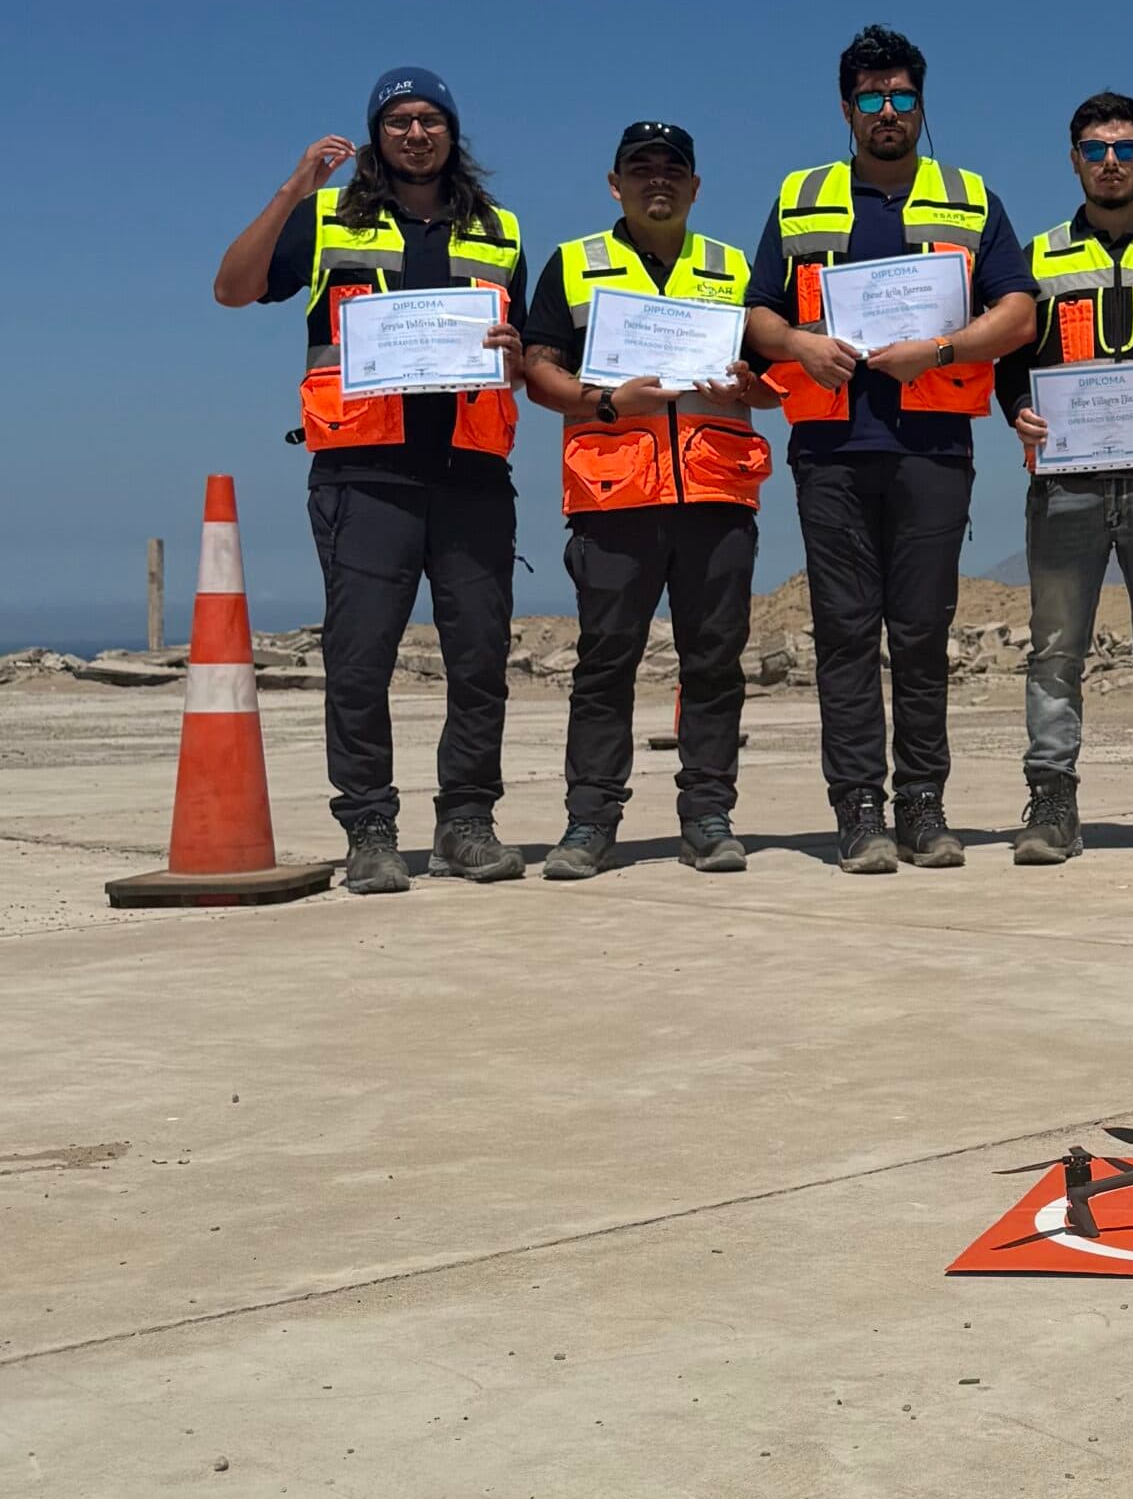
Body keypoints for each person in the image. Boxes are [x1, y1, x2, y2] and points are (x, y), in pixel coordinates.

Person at [212, 68, 528, 894]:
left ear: (453, 132)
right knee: (360, 661)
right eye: (398, 121)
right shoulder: (325, 217)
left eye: (430, 120)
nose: (415, 134)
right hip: (364, 475)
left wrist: (516, 356)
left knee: (480, 660)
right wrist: (293, 186)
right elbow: (233, 289)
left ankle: (466, 822)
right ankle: (371, 829)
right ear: (376, 136)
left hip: (472, 476)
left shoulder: (500, 230)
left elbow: (522, 354)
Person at [742, 25, 1036, 874]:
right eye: (871, 99)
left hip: (933, 446)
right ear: (846, 108)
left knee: (919, 632)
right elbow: (757, 313)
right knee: (842, 633)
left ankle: (923, 805)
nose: (888, 113)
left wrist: (940, 353)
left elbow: (1017, 312)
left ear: (921, 105)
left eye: (902, 98)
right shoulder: (801, 196)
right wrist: (798, 347)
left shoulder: (969, 196)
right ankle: (858, 809)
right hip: (830, 446)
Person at [519, 122, 779, 883]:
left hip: (716, 493)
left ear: (697, 187)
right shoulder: (574, 265)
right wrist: (605, 401)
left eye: (673, 170)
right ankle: (590, 823)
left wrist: (750, 387)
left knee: (715, 663)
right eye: (641, 169)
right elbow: (539, 373)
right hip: (613, 496)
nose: (656, 180)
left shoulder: (732, 269)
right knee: (605, 666)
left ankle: (708, 816)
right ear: (615, 183)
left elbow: (771, 378)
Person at [995, 92, 1133, 866]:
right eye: (1096, 149)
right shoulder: (1038, 257)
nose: (1112, 162)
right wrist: (1019, 411)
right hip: (1067, 487)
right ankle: (1052, 801)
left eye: (1126, 148)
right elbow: (1009, 368)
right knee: (1055, 649)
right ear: (1074, 161)